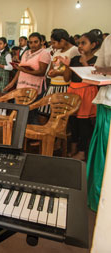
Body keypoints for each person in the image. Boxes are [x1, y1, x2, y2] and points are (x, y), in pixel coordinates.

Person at [60, 32, 102, 161]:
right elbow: (67, 78)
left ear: (93, 45)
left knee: (84, 124)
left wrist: (84, 63)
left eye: (84, 43)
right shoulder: (74, 59)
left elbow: (95, 79)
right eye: (79, 43)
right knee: (73, 122)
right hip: (73, 91)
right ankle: (73, 149)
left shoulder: (96, 60)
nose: (80, 46)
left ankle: (82, 151)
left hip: (87, 92)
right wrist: (67, 66)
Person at [86, 34, 111, 212]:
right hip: (107, 101)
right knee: (104, 151)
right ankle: (100, 195)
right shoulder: (109, 40)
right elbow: (99, 66)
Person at [4, 33, 51, 123]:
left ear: (41, 42)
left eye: (36, 42)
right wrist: (12, 83)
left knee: (30, 114)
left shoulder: (44, 53)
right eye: (31, 42)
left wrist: (24, 70)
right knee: (19, 111)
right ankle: (20, 134)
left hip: (34, 88)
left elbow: (42, 72)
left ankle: (30, 135)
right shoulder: (26, 52)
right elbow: (20, 69)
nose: (33, 45)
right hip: (21, 86)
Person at [39, 29, 80, 116]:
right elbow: (52, 65)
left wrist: (58, 73)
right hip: (53, 85)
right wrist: (50, 72)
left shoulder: (74, 50)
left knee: (60, 114)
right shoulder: (57, 51)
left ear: (62, 41)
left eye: (54, 43)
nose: (52, 45)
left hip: (64, 86)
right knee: (44, 112)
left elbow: (75, 71)